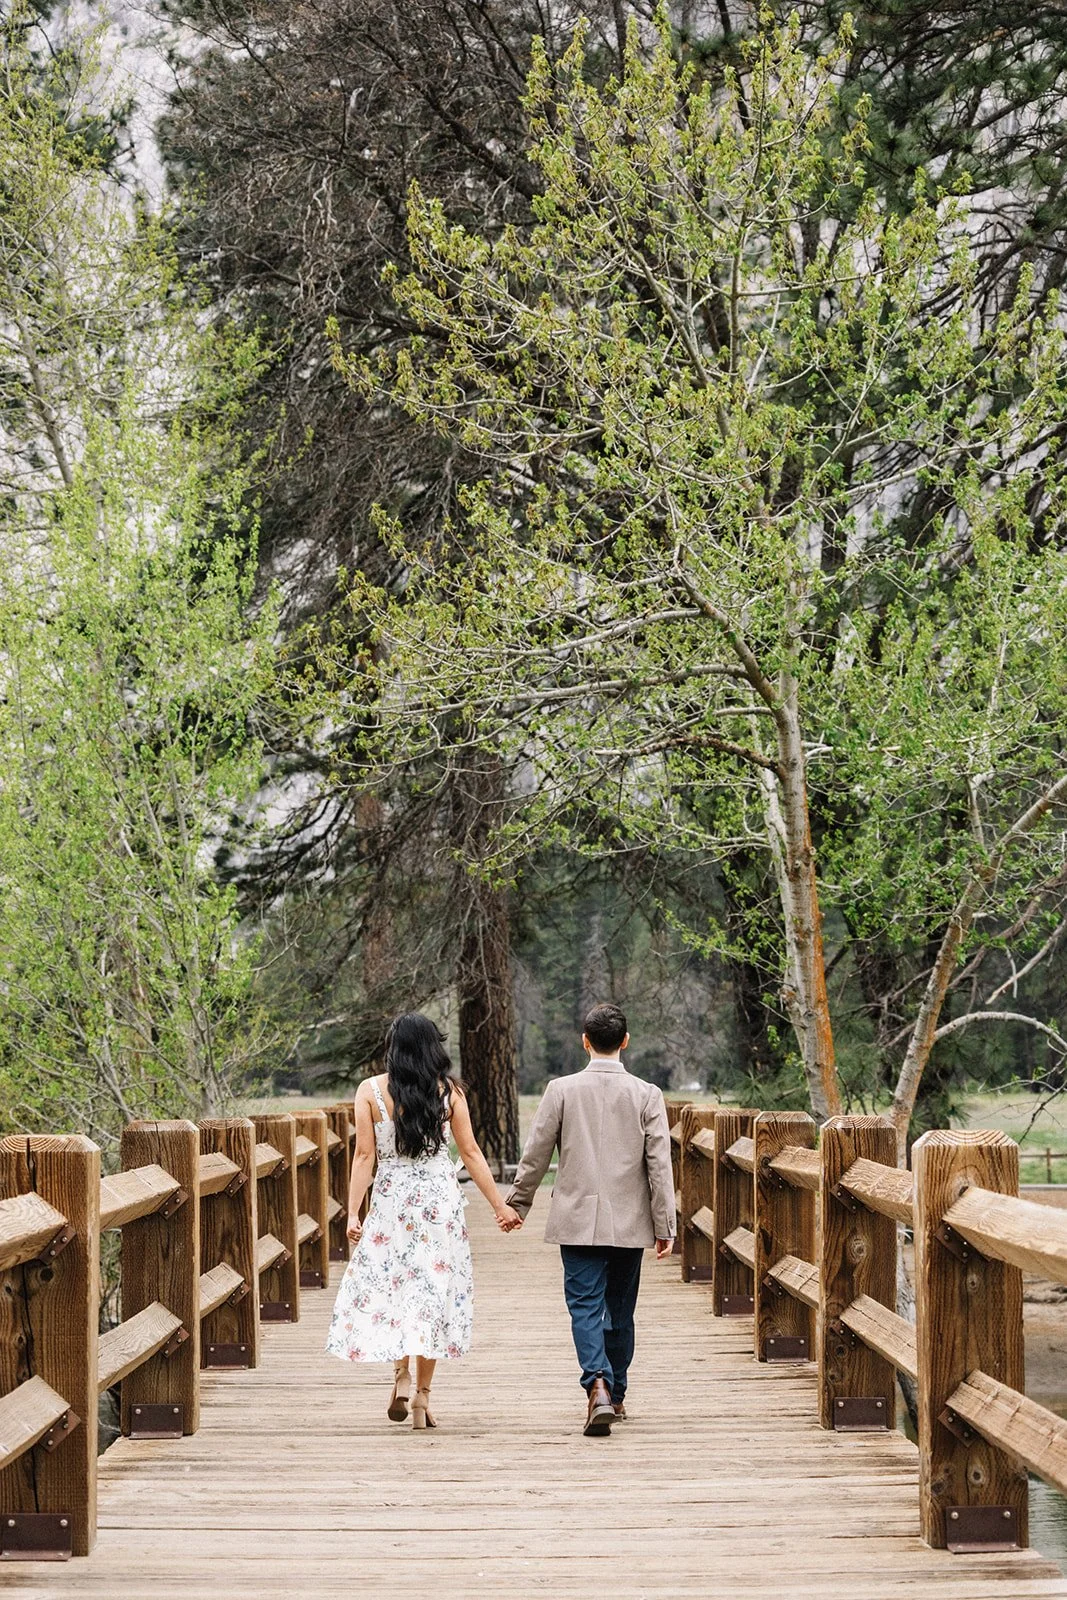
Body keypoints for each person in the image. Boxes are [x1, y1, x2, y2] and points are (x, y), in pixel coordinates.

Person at [325, 1012, 521, 1428]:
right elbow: (470, 1153)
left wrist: (354, 1211)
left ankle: (400, 1376)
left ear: (393, 1048)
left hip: (393, 1202)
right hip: (437, 1205)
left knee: (398, 1289)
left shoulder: (370, 1092)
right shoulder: (449, 1093)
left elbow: (364, 1156)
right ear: (434, 1047)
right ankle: (422, 1397)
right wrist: (499, 1206)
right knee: (433, 1294)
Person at [505, 1001, 676, 1436]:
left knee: (584, 1306)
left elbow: (537, 1153)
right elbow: (659, 1166)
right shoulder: (647, 1095)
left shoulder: (561, 1090)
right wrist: (665, 1225)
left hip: (577, 1220)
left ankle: (595, 1384)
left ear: (585, 1041)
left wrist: (518, 1204)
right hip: (629, 1221)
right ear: (625, 1041)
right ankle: (615, 1395)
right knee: (619, 1311)